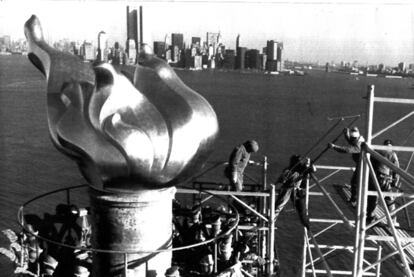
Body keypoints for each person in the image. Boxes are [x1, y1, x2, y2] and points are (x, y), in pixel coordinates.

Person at [273, 155, 316, 229]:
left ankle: (307, 224)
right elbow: (281, 179)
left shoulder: (302, 169)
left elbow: (313, 169)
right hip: (288, 189)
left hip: (296, 191)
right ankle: (271, 220)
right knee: (279, 206)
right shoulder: (289, 170)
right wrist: (283, 179)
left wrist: (310, 163)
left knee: (301, 210)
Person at [328, 127, 365, 206]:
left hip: (364, 165)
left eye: (353, 138)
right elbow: (351, 141)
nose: (352, 139)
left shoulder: (359, 145)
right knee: (356, 181)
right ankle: (355, 197)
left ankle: (354, 200)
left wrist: (334, 147)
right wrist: (346, 133)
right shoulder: (357, 139)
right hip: (360, 164)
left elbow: (346, 150)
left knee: (354, 182)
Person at [366, 139, 400, 224]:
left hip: (373, 178)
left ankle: (370, 217)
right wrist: (395, 181)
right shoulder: (392, 154)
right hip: (384, 179)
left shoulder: (376, 151)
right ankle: (392, 221)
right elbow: (396, 169)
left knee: (372, 198)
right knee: (389, 200)